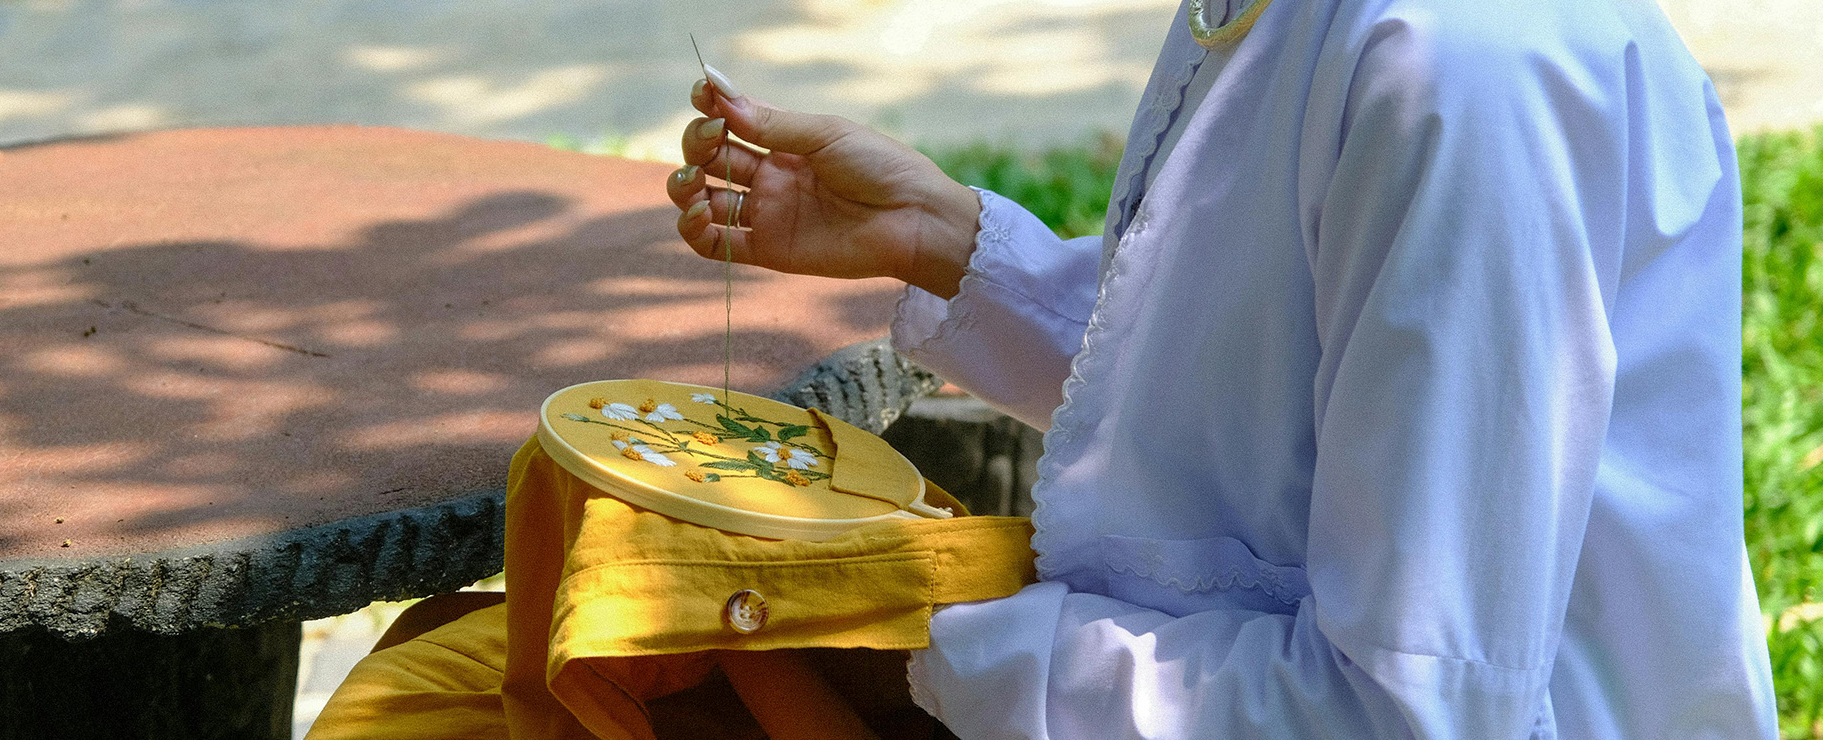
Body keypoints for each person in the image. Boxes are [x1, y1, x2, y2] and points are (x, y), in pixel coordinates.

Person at [664, 0, 1780, 736]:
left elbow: (1410, 710)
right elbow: (1260, 407)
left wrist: (944, 633)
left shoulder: (1466, 71)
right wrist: (954, 244)